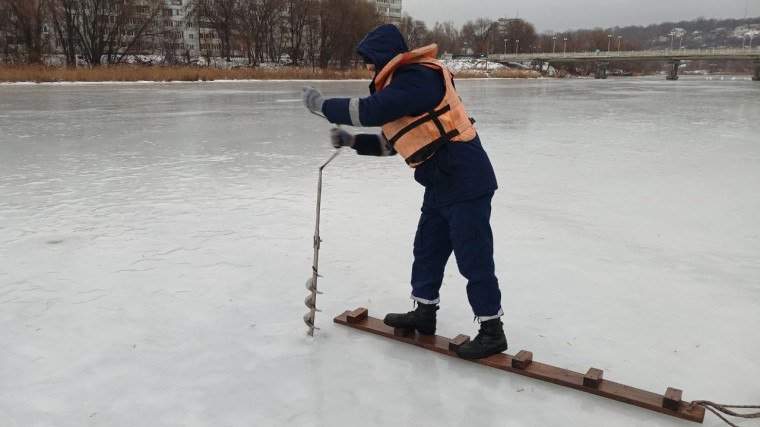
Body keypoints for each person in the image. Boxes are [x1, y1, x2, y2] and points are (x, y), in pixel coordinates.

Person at [302, 24, 506, 360]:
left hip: (466, 177)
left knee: (473, 256)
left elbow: (370, 111)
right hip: (439, 182)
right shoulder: (401, 90)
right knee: (427, 248)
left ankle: (492, 330)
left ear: (383, 55)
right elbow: (390, 144)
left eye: (369, 60)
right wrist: (352, 142)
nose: (367, 66)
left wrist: (324, 106)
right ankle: (424, 313)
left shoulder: (419, 77)